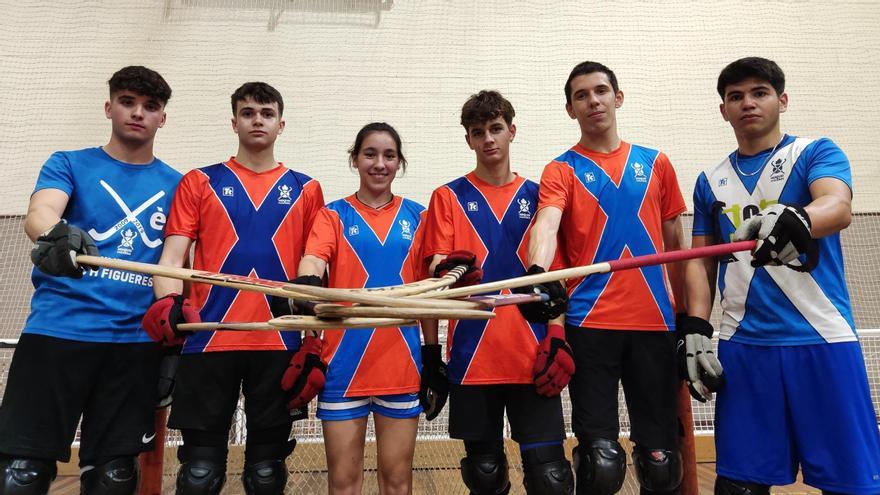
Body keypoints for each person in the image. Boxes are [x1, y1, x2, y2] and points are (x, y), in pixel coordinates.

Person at [683, 56, 880, 495]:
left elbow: (838, 206)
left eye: (760, 92)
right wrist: (695, 328)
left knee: (851, 485)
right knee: (738, 487)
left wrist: (798, 219)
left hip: (821, 339)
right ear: (723, 110)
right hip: (744, 345)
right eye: (736, 96)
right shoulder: (710, 180)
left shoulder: (815, 152)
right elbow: (700, 260)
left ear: (782, 100)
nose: (747, 103)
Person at [0, 66, 180, 495]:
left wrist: (173, 327)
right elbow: (41, 212)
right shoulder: (69, 163)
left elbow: (175, 262)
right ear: (109, 107)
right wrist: (55, 233)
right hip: (59, 333)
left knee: (114, 475)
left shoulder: (178, 185)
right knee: (21, 473)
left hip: (133, 345)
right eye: (127, 102)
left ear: (162, 118)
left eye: (150, 106)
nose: (138, 113)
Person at [143, 82, 325, 495]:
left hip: (280, 342)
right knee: (199, 475)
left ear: (281, 124)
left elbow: (312, 274)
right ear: (234, 122)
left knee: (267, 475)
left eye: (265, 112)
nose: (256, 119)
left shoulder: (306, 189)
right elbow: (172, 258)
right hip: (208, 340)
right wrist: (168, 303)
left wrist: (314, 342)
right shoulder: (199, 182)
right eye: (247, 113)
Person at [524, 62, 687, 495]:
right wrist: (538, 272)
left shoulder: (656, 163)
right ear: (569, 109)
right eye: (581, 95)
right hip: (589, 325)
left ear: (618, 97)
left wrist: (691, 320)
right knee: (601, 463)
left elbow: (677, 246)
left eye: (600, 91)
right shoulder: (561, 169)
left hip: (655, 323)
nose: (592, 100)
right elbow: (547, 223)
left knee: (661, 462)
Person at [420, 90, 574, 495]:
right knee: (485, 475)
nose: (488, 138)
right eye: (478, 132)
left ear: (512, 131)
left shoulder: (541, 196)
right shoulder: (447, 197)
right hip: (473, 358)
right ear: (468, 139)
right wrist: (432, 357)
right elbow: (436, 270)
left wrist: (557, 336)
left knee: (550, 477)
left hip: (532, 356)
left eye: (495, 128)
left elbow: (556, 278)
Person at [287, 122, 428, 495]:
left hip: (402, 365)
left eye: (389, 155)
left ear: (399, 163)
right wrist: (308, 284)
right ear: (355, 159)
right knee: (344, 483)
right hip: (343, 366)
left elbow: (434, 284)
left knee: (397, 483)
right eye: (370, 154)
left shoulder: (419, 217)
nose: (379, 163)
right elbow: (313, 262)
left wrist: (433, 357)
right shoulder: (332, 216)